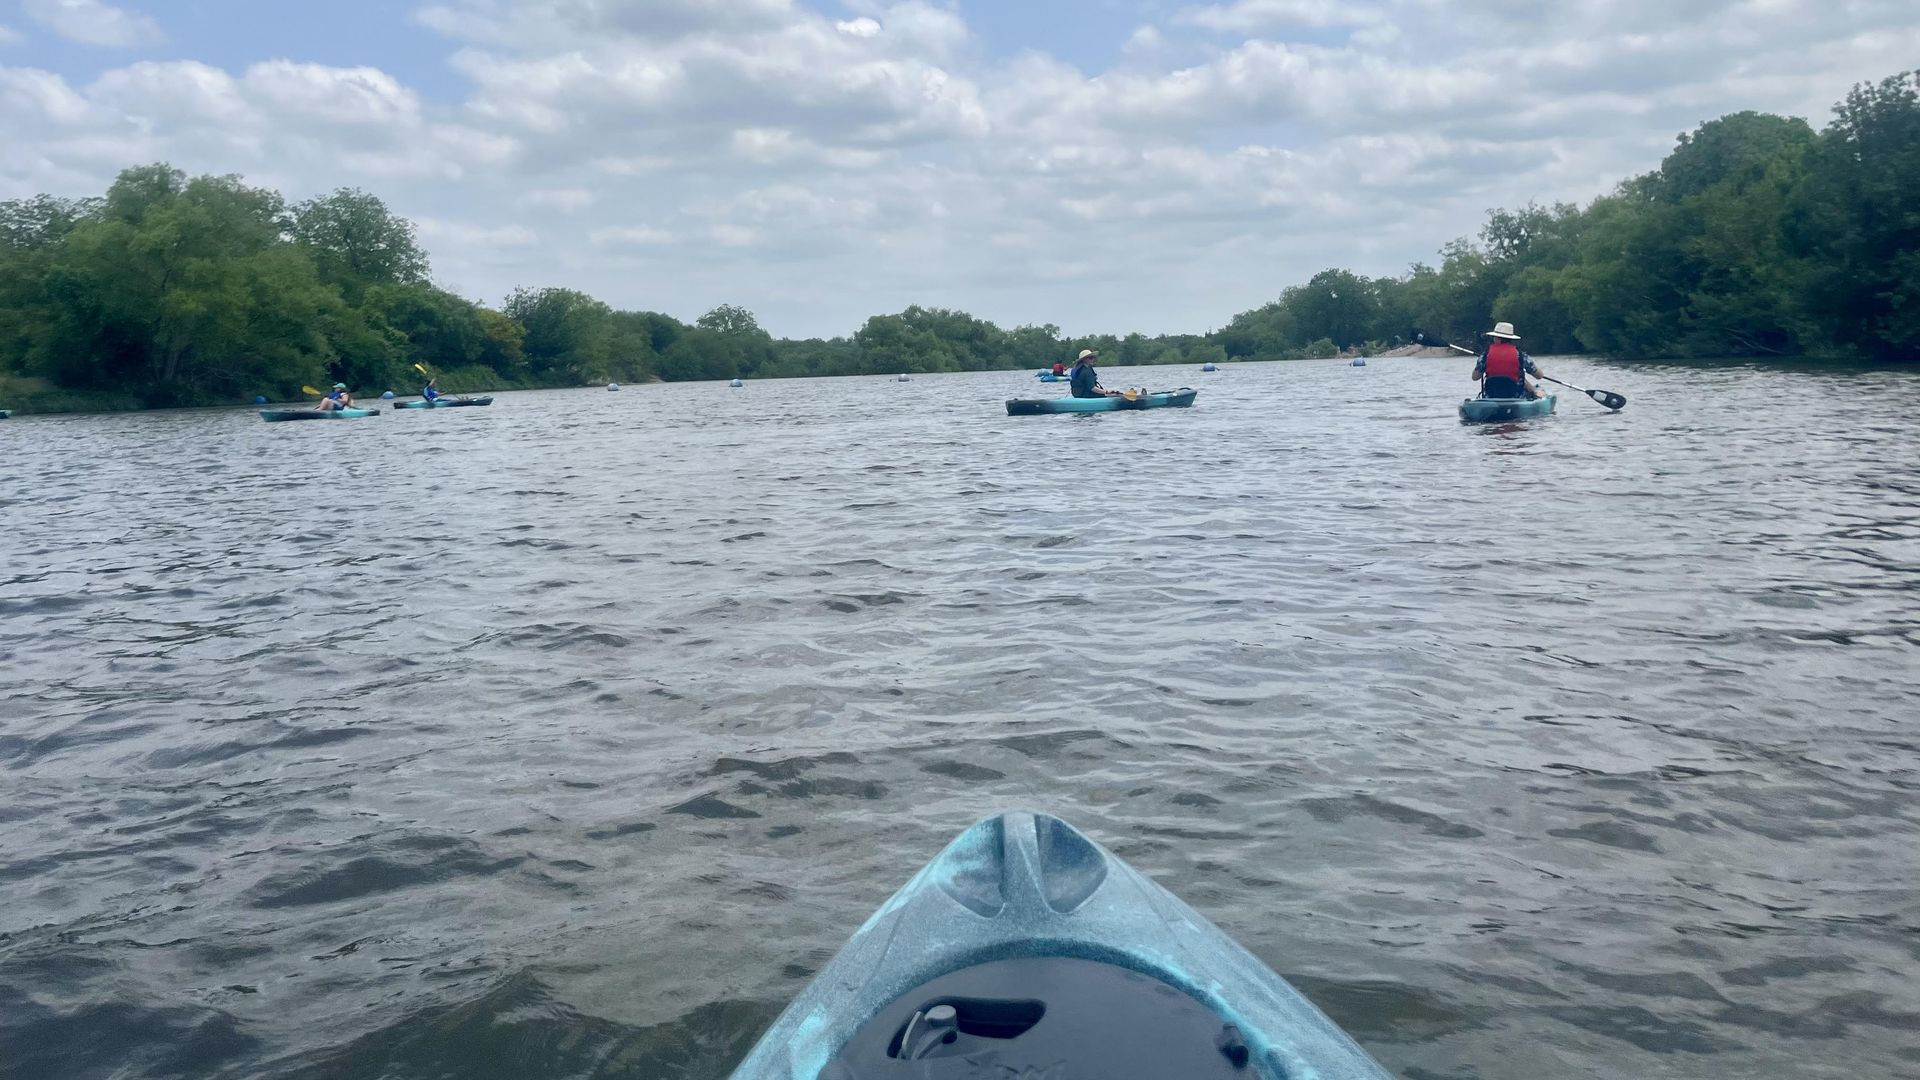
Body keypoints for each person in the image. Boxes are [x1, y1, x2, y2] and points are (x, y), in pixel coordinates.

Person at [1472, 322, 1544, 399]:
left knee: (1521, 377)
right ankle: (1535, 393)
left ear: (1497, 338)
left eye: (1494, 337)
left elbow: (1475, 377)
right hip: (1515, 395)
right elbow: (1539, 376)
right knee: (1521, 378)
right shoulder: (1520, 355)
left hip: (1491, 395)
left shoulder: (1485, 355)